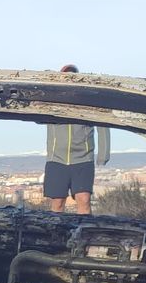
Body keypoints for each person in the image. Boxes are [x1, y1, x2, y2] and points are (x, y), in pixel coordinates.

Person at [44, 64, 110, 214]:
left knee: (84, 200)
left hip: (83, 159)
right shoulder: (51, 101)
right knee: (58, 202)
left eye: (72, 78)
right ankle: (55, 235)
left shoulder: (88, 102)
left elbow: (103, 123)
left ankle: (84, 236)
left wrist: (103, 155)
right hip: (56, 159)